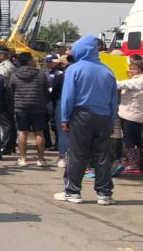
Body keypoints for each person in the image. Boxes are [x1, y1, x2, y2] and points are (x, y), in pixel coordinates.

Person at [55, 35, 119, 206]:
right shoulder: (108, 71)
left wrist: (65, 117)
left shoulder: (74, 69)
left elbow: (68, 97)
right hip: (104, 117)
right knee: (102, 156)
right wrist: (112, 121)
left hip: (82, 115)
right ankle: (105, 194)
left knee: (77, 154)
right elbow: (114, 101)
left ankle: (72, 191)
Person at [10, 52, 51, 167]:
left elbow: (11, 90)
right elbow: (46, 92)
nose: (34, 60)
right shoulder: (40, 74)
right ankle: (41, 159)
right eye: (32, 58)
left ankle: (23, 159)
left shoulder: (14, 74)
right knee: (39, 132)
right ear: (28, 61)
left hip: (21, 107)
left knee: (23, 132)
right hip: (38, 107)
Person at [118, 60, 143, 175]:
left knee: (130, 140)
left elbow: (122, 84)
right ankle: (138, 164)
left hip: (132, 115)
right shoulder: (136, 79)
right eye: (131, 69)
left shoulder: (139, 81)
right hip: (133, 114)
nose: (131, 71)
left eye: (134, 69)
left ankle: (134, 165)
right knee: (137, 140)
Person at [0, 50, 18, 156]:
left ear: (2, 56)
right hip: (9, 96)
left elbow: (1, 79)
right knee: (10, 122)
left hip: (4, 97)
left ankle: (6, 146)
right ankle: (10, 145)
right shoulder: (10, 65)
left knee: (6, 123)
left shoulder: (4, 66)